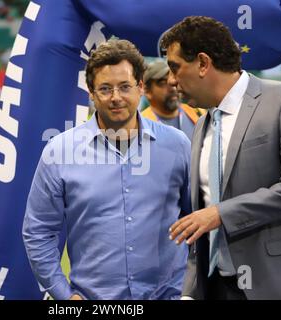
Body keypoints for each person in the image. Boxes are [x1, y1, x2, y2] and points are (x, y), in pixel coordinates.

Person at [163, 16, 281, 299]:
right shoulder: (202, 125)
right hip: (217, 288)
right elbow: (203, 218)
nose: (171, 80)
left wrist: (222, 214)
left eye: (175, 68)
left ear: (202, 63)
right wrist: (189, 291)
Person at [23, 39, 191, 300]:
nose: (116, 98)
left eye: (125, 87)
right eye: (105, 89)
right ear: (91, 92)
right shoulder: (59, 151)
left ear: (141, 87)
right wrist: (64, 295)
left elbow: (198, 220)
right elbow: (38, 231)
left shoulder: (177, 145)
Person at [141, 59, 199, 140]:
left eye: (175, 78)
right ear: (147, 91)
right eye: (163, 82)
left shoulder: (196, 111)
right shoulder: (142, 126)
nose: (172, 87)